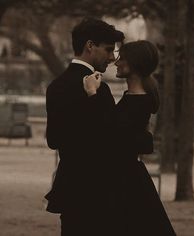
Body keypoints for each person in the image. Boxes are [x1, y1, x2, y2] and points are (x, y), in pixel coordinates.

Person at [85, 40, 176, 235]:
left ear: (134, 64)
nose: (116, 63)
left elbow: (111, 136)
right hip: (125, 176)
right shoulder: (133, 97)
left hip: (124, 180)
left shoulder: (137, 101)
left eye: (122, 59)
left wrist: (92, 93)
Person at [44, 17, 126, 235]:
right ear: (90, 45)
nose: (111, 58)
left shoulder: (56, 86)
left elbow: (53, 140)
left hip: (71, 186)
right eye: (109, 50)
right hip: (101, 187)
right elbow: (111, 138)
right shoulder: (101, 90)